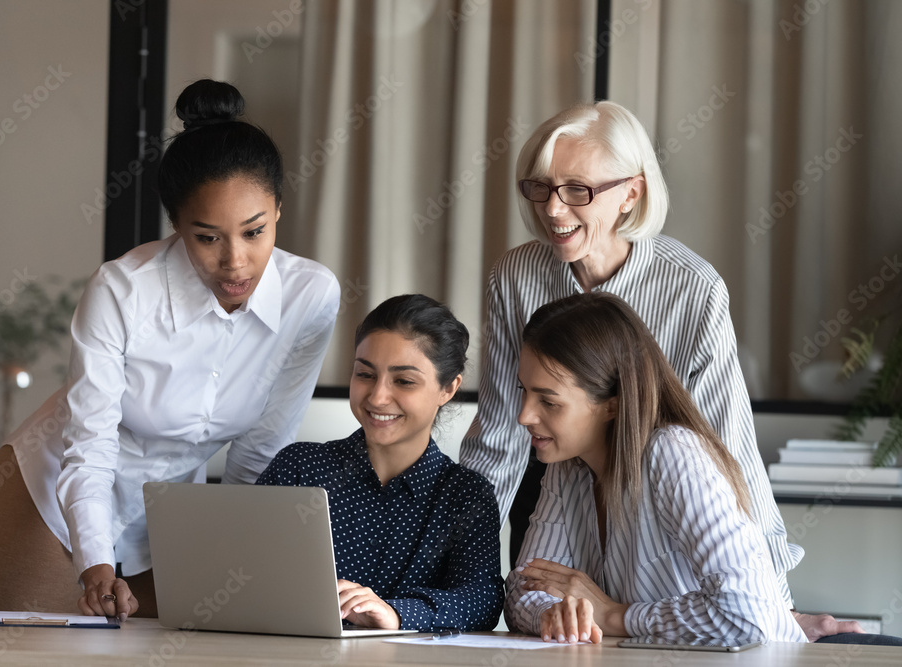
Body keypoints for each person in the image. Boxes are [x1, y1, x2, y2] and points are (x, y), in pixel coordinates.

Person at [458, 100, 859, 640]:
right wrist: (462, 575)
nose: (553, 210)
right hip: (560, 467)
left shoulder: (692, 288)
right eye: (542, 187)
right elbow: (502, 432)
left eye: (578, 189)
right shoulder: (517, 275)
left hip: (671, 503)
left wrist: (773, 606)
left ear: (632, 191)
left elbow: (728, 447)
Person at [0, 80, 341, 621]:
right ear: (177, 226)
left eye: (254, 232)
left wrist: (225, 552)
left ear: (278, 208)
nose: (236, 262)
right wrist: (94, 564)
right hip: (48, 504)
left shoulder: (311, 297)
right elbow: (89, 447)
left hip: (167, 521)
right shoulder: (122, 291)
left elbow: (261, 447)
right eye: (207, 237)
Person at [505, 292, 808, 644]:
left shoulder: (674, 454)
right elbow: (521, 591)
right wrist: (554, 614)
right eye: (523, 391)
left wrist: (613, 614)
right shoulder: (567, 463)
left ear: (612, 405)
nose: (524, 415)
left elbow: (746, 617)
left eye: (548, 401)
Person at [256, 295, 504, 632]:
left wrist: (396, 614)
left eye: (403, 381)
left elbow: (482, 600)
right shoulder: (300, 468)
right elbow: (244, 574)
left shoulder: (465, 494)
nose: (377, 397)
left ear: (448, 388)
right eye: (365, 375)